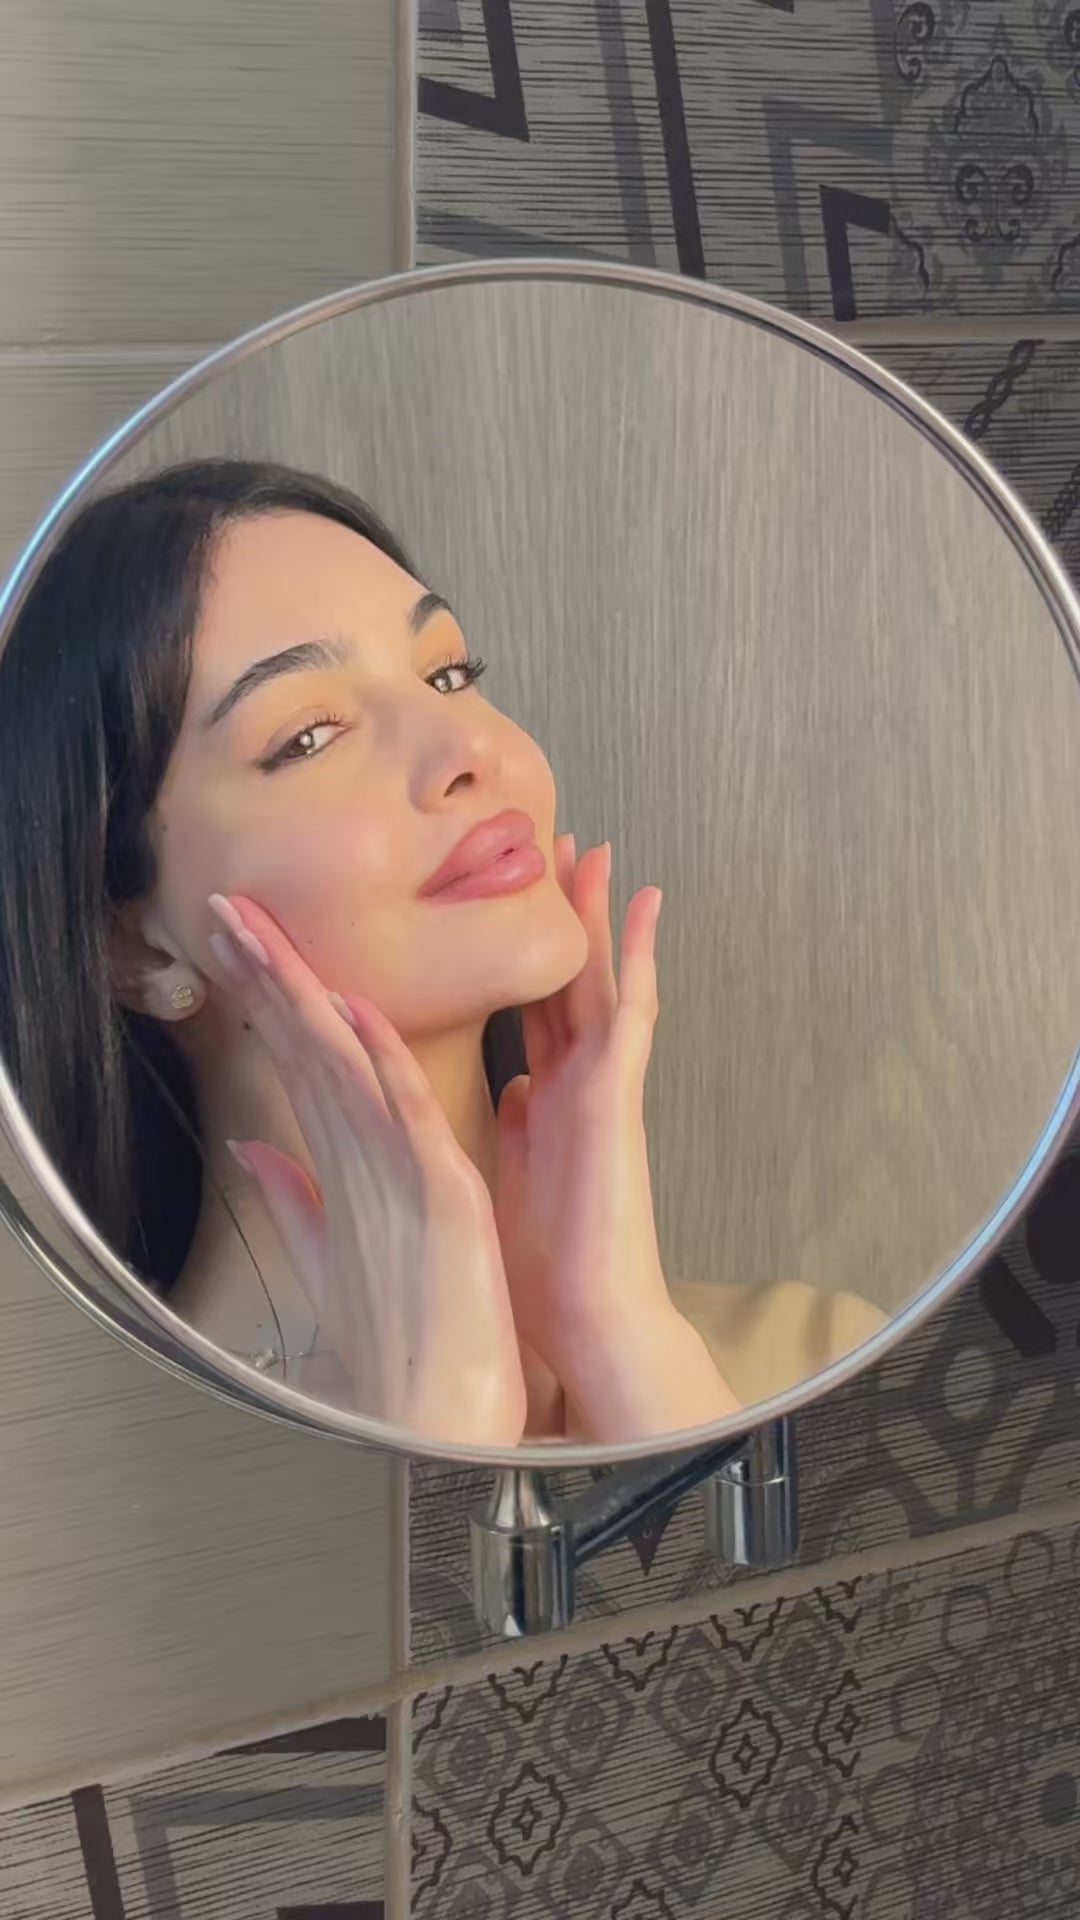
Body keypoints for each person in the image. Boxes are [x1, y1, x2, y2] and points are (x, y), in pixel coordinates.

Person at [0, 460, 882, 1446]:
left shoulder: (815, 1360)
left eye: (448, 674)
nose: (467, 748)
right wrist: (447, 1423)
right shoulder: (151, 1488)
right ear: (131, 947)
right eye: (310, 735)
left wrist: (619, 1339)